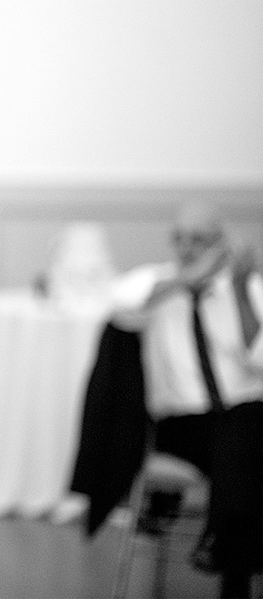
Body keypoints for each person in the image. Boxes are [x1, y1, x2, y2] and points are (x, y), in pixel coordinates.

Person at [111, 201, 262, 599]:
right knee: (246, 432)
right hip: (181, 426)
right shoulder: (155, 284)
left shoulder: (245, 286)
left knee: (245, 420)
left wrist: (244, 291)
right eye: (179, 238)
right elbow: (120, 306)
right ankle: (236, 573)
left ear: (221, 243)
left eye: (200, 240)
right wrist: (186, 280)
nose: (187, 248)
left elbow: (261, 359)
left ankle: (226, 553)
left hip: (243, 423)